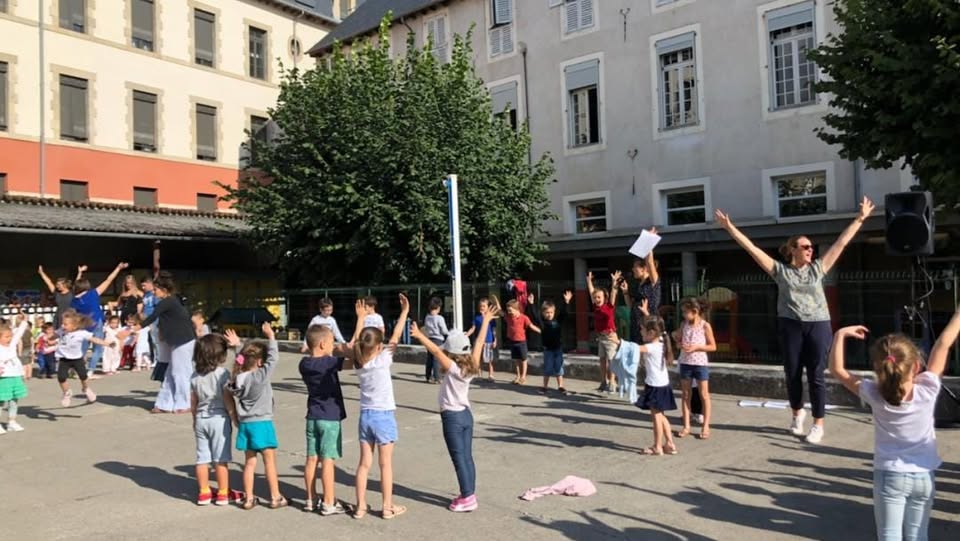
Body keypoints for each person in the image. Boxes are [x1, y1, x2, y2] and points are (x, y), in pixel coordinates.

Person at [715, 196, 874, 444]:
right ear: (793, 250)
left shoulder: (818, 269)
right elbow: (752, 250)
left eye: (811, 247)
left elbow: (841, 243)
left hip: (818, 324)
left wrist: (860, 218)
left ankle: (818, 424)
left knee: (817, 375)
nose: (810, 249)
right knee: (792, 373)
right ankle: (797, 414)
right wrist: (730, 228)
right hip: (790, 324)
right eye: (805, 246)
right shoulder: (781, 271)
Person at [829, 308, 956, 541]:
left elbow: (837, 370)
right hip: (924, 477)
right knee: (919, 536)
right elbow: (943, 344)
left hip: (890, 475)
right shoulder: (928, 388)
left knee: (889, 536)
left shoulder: (873, 393)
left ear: (879, 369)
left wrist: (840, 335)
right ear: (916, 366)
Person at [409, 299, 500, 513]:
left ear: (452, 353)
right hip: (466, 416)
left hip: (452, 418)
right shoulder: (472, 365)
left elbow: (436, 352)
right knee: (467, 457)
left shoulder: (454, 369)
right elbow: (477, 343)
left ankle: (468, 497)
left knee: (459, 459)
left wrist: (421, 336)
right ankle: (469, 493)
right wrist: (486, 320)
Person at [349, 294, 410, 520]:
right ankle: (386, 506)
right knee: (385, 465)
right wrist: (404, 312)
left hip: (365, 416)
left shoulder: (359, 363)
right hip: (383, 416)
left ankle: (361, 506)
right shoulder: (382, 360)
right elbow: (395, 336)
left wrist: (360, 318)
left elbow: (356, 342)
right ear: (379, 346)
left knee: (364, 464)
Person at [299, 324, 357, 515]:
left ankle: (310, 498)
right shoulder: (329, 362)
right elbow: (353, 361)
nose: (334, 346)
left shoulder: (304, 364)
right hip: (330, 417)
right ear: (323, 344)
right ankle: (329, 502)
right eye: (332, 342)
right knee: (327, 461)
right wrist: (346, 348)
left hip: (312, 416)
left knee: (311, 459)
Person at [227, 323, 284, 510]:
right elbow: (273, 359)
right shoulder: (259, 377)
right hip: (262, 422)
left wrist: (238, 347)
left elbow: (242, 362)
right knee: (270, 463)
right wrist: (271, 337)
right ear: (259, 362)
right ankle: (275, 496)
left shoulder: (237, 379)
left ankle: (249, 498)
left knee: (249, 463)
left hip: (246, 424)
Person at [190, 332, 239, 506]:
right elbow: (228, 398)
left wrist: (195, 419)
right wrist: (234, 417)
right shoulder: (222, 374)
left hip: (201, 419)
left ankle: (204, 492)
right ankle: (223, 492)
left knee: (202, 458)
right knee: (220, 459)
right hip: (219, 418)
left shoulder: (195, 376)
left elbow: (193, 401)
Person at [619, 314, 678, 456]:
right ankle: (670, 444)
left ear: (651, 333)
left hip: (656, 387)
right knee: (661, 416)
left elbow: (633, 349)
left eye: (642, 329)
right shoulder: (662, 341)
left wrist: (617, 342)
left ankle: (657, 447)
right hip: (661, 385)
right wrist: (646, 314)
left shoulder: (652, 347)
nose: (640, 332)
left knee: (656, 418)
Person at [141, 273, 197, 414]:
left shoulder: (168, 301)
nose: (153, 292)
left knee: (181, 372)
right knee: (171, 372)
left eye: (155, 290)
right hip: (176, 340)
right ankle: (165, 403)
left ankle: (185, 403)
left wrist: (134, 328)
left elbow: (153, 316)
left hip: (183, 340)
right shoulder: (170, 301)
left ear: (164, 289)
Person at [71, 262, 128, 375]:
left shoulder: (74, 300)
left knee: (83, 348)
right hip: (97, 322)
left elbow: (75, 286)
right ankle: (91, 371)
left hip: (84, 325)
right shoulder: (93, 293)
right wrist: (118, 268)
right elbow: (108, 280)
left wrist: (80, 273)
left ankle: (78, 369)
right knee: (98, 348)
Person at [674, 297, 716, 440]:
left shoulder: (705, 326)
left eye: (686, 312)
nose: (684, 315)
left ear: (695, 311)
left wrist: (697, 347)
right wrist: (679, 344)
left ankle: (705, 426)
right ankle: (686, 425)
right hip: (686, 363)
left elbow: (713, 346)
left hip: (700, 364)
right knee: (686, 395)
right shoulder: (684, 324)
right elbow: (678, 339)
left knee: (704, 394)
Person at [56, 310, 118, 407]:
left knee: (83, 376)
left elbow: (95, 339)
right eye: (62, 323)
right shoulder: (61, 331)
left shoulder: (82, 333)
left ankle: (86, 389)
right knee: (61, 377)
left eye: (65, 324)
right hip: (64, 359)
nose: (63, 326)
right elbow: (53, 336)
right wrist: (47, 339)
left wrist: (108, 344)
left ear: (74, 325)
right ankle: (67, 393)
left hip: (77, 359)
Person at [622, 228, 662, 343]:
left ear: (645, 269)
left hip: (649, 323)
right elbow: (631, 306)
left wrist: (649, 241)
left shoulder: (653, 282)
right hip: (637, 324)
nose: (633, 269)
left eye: (635, 267)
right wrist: (625, 292)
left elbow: (649, 261)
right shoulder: (639, 285)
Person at [531, 291, 573, 395]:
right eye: (547, 312)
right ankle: (545, 387)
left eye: (551, 312)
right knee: (547, 368)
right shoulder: (543, 324)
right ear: (543, 313)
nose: (549, 314)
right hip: (548, 350)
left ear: (554, 312)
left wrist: (566, 302)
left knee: (559, 368)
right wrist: (531, 304)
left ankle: (561, 386)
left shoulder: (557, 322)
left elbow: (564, 313)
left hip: (558, 350)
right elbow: (535, 316)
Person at [587, 271, 622, 393]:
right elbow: (591, 291)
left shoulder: (609, 306)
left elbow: (613, 293)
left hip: (610, 336)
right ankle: (603, 381)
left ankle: (612, 381)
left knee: (612, 359)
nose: (597, 299)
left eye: (599, 297)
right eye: (596, 297)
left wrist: (614, 282)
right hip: (601, 337)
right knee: (602, 359)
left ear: (604, 298)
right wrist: (589, 280)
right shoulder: (596, 307)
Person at [0, 315, 31, 433]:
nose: (9, 339)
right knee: (1, 401)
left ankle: (11, 421)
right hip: (3, 377)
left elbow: (19, 333)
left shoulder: (12, 344)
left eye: (10, 336)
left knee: (14, 399)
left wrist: (24, 321)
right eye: (6, 337)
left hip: (15, 375)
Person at [503, 299, 541, 385]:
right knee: (516, 360)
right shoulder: (508, 317)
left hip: (522, 342)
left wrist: (541, 331)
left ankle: (523, 377)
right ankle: (518, 376)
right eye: (508, 310)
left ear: (517, 309)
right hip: (512, 341)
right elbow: (500, 312)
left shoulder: (524, 318)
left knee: (523, 360)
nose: (509, 312)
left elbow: (531, 326)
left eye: (510, 310)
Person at [465, 298, 498, 382]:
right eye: (480, 306)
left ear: (488, 307)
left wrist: (495, 340)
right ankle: (479, 375)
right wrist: (466, 335)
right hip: (480, 343)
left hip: (489, 341)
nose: (481, 307)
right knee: (479, 359)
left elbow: (494, 330)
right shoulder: (477, 318)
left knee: (490, 360)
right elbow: (473, 328)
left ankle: (491, 375)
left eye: (484, 306)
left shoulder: (491, 318)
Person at [423, 297, 449, 384]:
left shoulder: (427, 317)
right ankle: (437, 377)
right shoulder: (439, 318)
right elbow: (444, 330)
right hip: (438, 339)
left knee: (429, 358)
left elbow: (426, 328)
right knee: (437, 358)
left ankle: (428, 376)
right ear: (438, 307)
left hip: (430, 339)